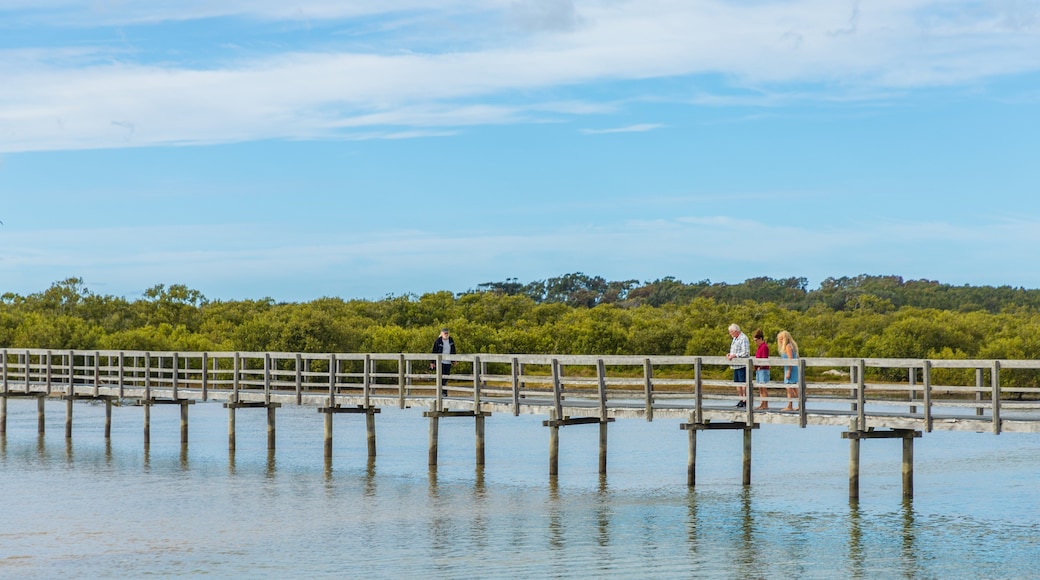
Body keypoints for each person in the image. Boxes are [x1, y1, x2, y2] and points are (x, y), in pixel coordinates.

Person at [725, 323, 750, 407]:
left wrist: (735, 355)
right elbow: (735, 350)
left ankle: (745, 400)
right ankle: (741, 399)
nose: (730, 334)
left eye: (731, 332)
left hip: (742, 365)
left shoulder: (743, 338)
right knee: (737, 383)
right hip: (735, 365)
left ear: (736, 331)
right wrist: (730, 354)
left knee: (743, 384)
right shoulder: (735, 338)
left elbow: (745, 352)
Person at [777, 330, 800, 411]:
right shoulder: (790, 346)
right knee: (792, 387)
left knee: (789, 387)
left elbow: (790, 359)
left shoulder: (788, 346)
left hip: (790, 369)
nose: (780, 341)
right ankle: (800, 404)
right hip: (789, 368)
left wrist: (789, 371)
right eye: (779, 339)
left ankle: (790, 405)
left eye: (781, 339)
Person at [431, 328, 456, 396]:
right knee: (441, 377)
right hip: (440, 362)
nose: (446, 334)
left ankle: (444, 392)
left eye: (447, 333)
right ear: (441, 333)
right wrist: (432, 362)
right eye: (445, 333)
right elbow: (434, 351)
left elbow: (453, 350)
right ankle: (442, 392)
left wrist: (454, 360)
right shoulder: (438, 341)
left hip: (448, 362)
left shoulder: (451, 340)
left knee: (446, 377)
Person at [752, 329, 770, 410]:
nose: (755, 342)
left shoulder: (764, 347)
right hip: (758, 370)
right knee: (760, 387)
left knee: (763, 386)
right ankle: (761, 403)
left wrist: (761, 366)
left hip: (763, 369)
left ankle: (765, 404)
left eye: (756, 340)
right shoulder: (759, 347)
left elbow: (764, 358)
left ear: (760, 339)